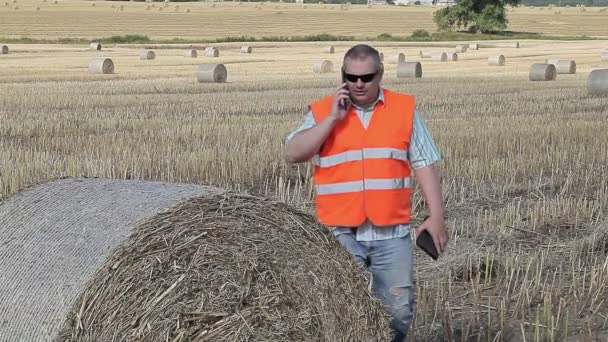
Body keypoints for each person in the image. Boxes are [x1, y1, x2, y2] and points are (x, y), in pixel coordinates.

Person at [284, 44, 448, 341]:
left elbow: (424, 163)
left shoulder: (404, 109)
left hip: (391, 232)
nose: (359, 83)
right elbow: (293, 153)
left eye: (367, 77)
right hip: (339, 231)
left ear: (380, 75)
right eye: (352, 76)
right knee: (344, 308)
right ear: (343, 76)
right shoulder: (322, 111)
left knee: (399, 310)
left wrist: (436, 216)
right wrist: (332, 119)